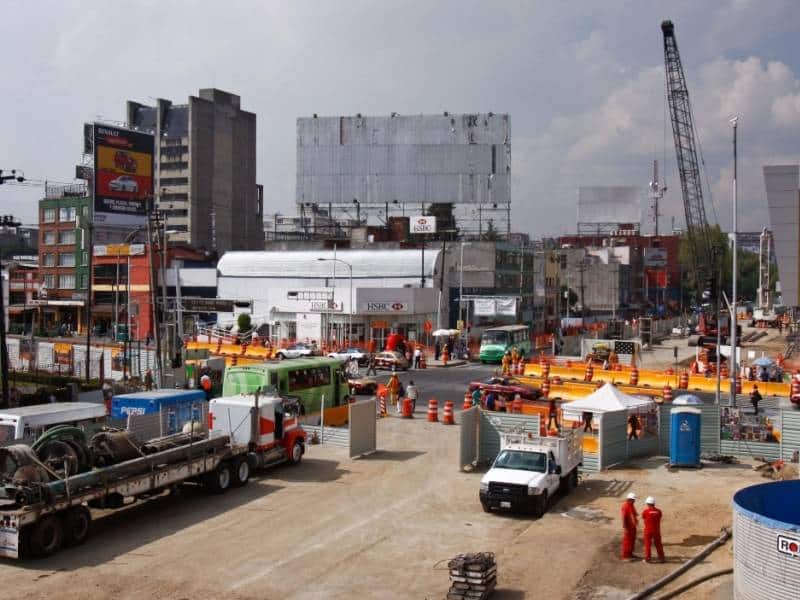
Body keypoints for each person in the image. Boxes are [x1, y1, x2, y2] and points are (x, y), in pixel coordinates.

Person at [642, 496, 665, 563]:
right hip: (656, 531)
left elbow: (643, 517)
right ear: (654, 503)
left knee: (647, 545)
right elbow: (660, 516)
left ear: (648, 504)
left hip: (648, 531)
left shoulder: (645, 511)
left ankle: (648, 558)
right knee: (658, 544)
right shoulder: (659, 511)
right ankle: (661, 558)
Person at [621, 492, 639, 561]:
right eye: (633, 500)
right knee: (627, 542)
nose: (634, 501)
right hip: (628, 527)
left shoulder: (631, 505)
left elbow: (634, 513)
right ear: (629, 499)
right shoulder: (625, 506)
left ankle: (630, 554)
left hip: (632, 527)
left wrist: (636, 521)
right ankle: (625, 556)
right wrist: (625, 528)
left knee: (632, 541)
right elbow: (624, 518)